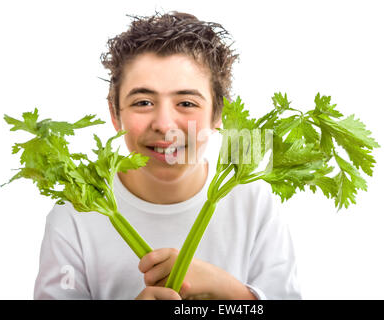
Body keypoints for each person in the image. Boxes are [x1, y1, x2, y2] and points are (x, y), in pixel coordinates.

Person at [34, 11, 302, 300]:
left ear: (219, 113)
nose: (164, 124)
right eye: (143, 102)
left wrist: (229, 290)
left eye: (186, 102)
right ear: (115, 113)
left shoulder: (254, 200)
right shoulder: (75, 212)